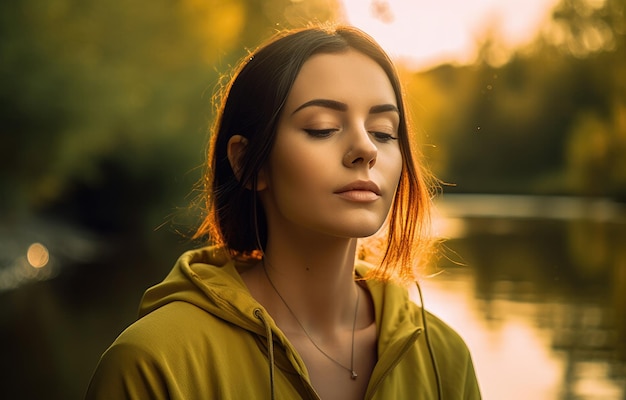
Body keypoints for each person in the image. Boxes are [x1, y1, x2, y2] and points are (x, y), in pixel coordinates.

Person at [85, 24, 481, 400]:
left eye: (383, 132)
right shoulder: (154, 363)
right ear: (247, 163)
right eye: (323, 128)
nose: (367, 149)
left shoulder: (442, 357)